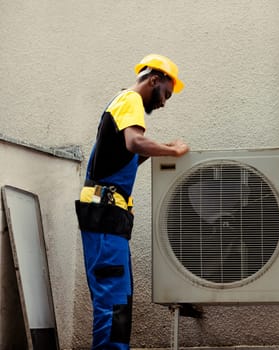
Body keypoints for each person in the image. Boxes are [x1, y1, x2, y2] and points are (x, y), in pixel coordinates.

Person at [75, 54, 189, 350]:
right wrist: (172, 151)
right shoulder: (130, 100)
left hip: (110, 216)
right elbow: (134, 143)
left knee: (120, 300)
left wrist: (160, 149)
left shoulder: (127, 108)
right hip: (104, 214)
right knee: (113, 301)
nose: (164, 102)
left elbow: (129, 155)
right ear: (155, 80)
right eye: (166, 93)